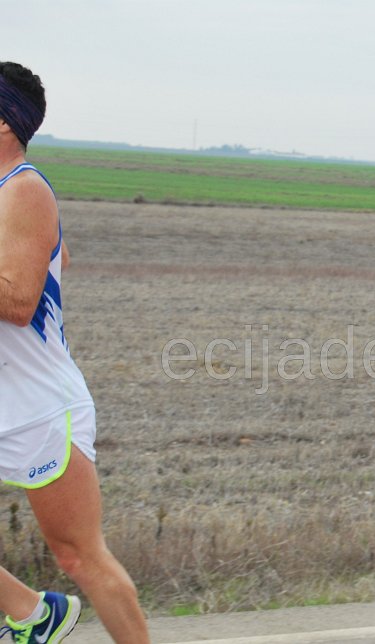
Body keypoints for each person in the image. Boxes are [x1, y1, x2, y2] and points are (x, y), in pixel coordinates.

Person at [0, 61, 150, 642]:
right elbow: (58, 261)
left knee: (81, 557)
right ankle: (34, 614)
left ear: (6, 123)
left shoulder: (27, 188)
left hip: (39, 410)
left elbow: (16, 303)